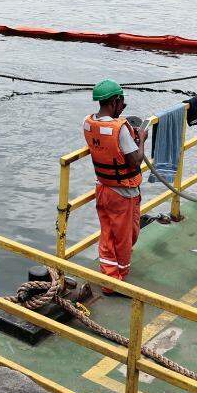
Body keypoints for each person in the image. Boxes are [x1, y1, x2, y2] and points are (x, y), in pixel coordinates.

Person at [83, 80, 145, 288]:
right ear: (115, 102)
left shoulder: (88, 123)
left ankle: (109, 275)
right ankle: (114, 281)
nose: (123, 107)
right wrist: (142, 139)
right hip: (122, 193)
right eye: (122, 103)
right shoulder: (121, 129)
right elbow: (135, 160)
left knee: (108, 233)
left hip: (103, 188)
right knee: (124, 236)